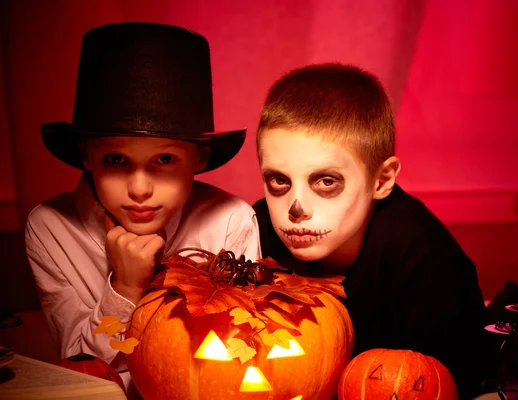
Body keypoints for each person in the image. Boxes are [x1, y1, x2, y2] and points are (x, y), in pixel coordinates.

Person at [24, 22, 261, 396]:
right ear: (87, 156)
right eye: (116, 160)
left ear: (199, 158)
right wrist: (125, 287)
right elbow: (82, 366)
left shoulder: (229, 220)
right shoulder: (51, 226)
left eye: (164, 159)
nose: (139, 189)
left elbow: (239, 357)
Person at [253, 63, 491, 399]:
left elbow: (441, 384)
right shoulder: (255, 229)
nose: (296, 208)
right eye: (279, 180)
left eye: (325, 181)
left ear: (381, 180)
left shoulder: (420, 253)